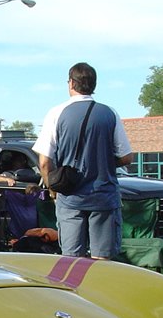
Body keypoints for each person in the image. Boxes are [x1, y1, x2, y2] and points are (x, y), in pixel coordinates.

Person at [33, 62, 132, 259]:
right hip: (103, 196)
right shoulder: (109, 113)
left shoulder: (56, 113)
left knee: (71, 259)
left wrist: (53, 190)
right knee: (103, 261)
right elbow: (127, 157)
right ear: (94, 85)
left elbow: (44, 161)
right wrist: (102, 162)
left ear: (71, 83)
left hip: (70, 198)